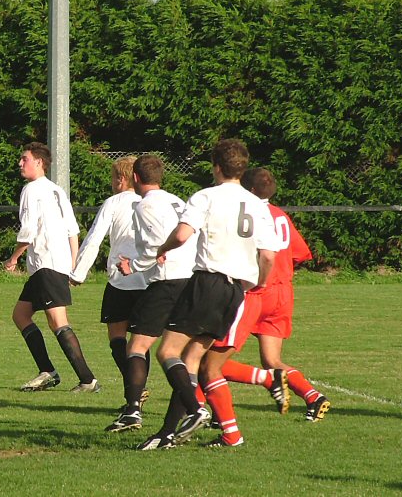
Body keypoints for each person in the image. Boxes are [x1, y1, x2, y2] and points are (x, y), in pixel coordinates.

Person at [136, 138, 279, 451]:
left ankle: (196, 408)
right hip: (235, 292)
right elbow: (268, 256)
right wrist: (258, 283)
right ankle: (167, 434)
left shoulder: (206, 196)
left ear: (216, 167)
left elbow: (183, 234)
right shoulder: (257, 204)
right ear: (242, 169)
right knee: (190, 360)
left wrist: (163, 248)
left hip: (207, 282)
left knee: (167, 352)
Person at [220, 168, 330, 422]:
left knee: (212, 355)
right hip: (283, 292)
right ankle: (313, 396)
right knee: (272, 359)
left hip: (256, 291)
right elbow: (300, 253)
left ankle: (206, 410)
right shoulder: (280, 215)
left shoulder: (248, 213)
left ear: (247, 189)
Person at [104, 154, 196, 433]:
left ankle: (133, 411)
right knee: (185, 353)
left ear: (135, 178)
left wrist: (132, 264)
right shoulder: (177, 200)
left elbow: (158, 247)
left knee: (137, 347)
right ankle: (207, 411)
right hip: (191, 279)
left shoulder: (144, 205)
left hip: (168, 282)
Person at [4, 142, 99, 393]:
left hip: (46, 264)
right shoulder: (57, 190)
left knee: (58, 321)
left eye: (24, 159)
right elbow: (73, 230)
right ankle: (47, 371)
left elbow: (28, 230)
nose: (20, 163)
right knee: (20, 315)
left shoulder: (31, 190)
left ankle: (88, 379)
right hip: (51, 266)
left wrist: (13, 257)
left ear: (39, 162)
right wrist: (72, 264)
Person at [70, 156, 146, 411]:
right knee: (141, 342)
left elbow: (94, 239)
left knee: (117, 338)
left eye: (114, 178)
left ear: (121, 179)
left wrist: (78, 273)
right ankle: (137, 393)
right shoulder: (150, 202)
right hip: (149, 280)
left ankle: (135, 391)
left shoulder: (114, 203)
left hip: (121, 281)